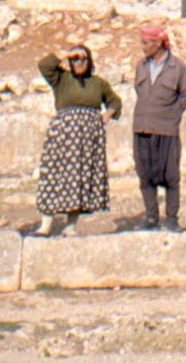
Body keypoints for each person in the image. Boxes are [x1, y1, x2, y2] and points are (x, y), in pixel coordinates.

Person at [33, 44, 122, 237]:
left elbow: (115, 101)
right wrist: (65, 54)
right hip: (64, 136)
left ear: (89, 61)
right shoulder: (61, 78)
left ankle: (70, 226)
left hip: (87, 139)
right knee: (55, 175)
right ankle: (45, 225)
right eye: (75, 59)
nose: (79, 62)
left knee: (79, 178)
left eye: (83, 58)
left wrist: (105, 116)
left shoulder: (98, 83)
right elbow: (44, 65)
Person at [132, 24, 186, 232]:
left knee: (171, 177)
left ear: (158, 43)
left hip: (167, 130)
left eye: (146, 43)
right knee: (145, 175)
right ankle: (151, 217)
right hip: (142, 128)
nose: (143, 47)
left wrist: (172, 114)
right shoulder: (141, 66)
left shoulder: (178, 68)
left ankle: (171, 219)